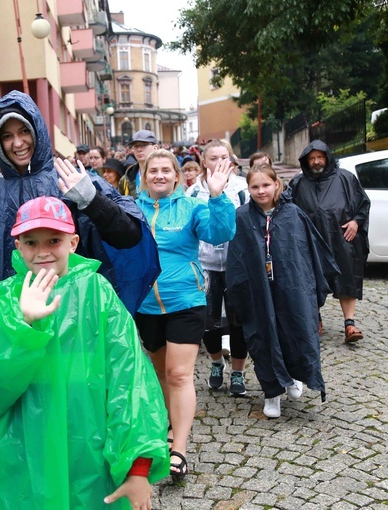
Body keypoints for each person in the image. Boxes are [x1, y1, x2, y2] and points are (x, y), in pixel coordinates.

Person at [0, 90, 160, 453]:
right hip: (16, 322)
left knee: (76, 414)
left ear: (38, 130)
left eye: (24, 131)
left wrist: (92, 199)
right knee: (21, 418)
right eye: (7, 135)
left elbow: (128, 236)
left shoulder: (69, 176)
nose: (17, 142)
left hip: (74, 320)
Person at [0, 196, 169, 509]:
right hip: (28, 445)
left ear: (73, 242)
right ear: (18, 246)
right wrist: (22, 322)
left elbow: (129, 377)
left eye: (54, 240)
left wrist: (136, 466)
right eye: (31, 242)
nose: (42, 251)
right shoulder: (6, 297)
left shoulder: (97, 293)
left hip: (91, 444)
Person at [135, 149, 235, 481]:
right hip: (146, 306)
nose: (160, 175)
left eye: (166, 170)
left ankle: (179, 448)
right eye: (154, 171)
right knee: (162, 373)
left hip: (186, 302)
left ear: (177, 176)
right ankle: (167, 422)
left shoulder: (192, 207)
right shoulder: (132, 209)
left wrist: (218, 196)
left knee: (179, 375)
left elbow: (220, 234)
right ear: (144, 176)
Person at [227, 164, 338, 418]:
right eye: (254, 186)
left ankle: (295, 375)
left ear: (277, 185)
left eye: (266, 185)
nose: (260, 191)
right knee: (264, 335)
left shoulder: (293, 214)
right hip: (258, 288)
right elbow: (236, 257)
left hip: (291, 286)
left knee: (295, 329)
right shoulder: (241, 216)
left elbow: (307, 252)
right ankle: (272, 392)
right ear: (248, 189)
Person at [286, 140, 370, 343]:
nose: (316, 162)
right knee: (310, 280)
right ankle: (315, 319)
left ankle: (350, 324)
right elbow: (286, 209)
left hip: (341, 239)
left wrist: (356, 223)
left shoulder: (346, 178)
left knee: (347, 279)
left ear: (327, 157)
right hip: (310, 242)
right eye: (312, 158)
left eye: (319, 157)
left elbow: (363, 203)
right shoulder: (298, 183)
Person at [186, 140, 250, 397]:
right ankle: (216, 362)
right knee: (208, 321)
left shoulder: (243, 188)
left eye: (224, 157)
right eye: (214, 158)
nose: (220, 162)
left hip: (237, 265)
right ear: (204, 161)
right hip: (205, 265)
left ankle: (238, 371)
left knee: (238, 321)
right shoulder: (193, 192)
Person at [119, 130, 158, 198]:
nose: (139, 149)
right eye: (136, 146)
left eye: (143, 145)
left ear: (155, 148)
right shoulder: (126, 179)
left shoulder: (166, 175)